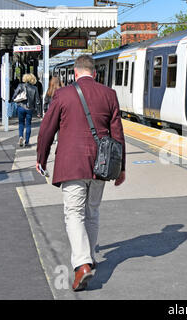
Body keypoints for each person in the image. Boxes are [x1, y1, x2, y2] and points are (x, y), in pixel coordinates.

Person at [36, 54, 126, 292]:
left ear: (75, 73)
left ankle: (81, 264)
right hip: (102, 164)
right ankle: (90, 256)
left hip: (71, 165)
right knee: (92, 211)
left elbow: (46, 130)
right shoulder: (109, 95)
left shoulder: (63, 95)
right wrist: (121, 168)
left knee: (74, 213)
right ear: (94, 73)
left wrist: (41, 159)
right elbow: (117, 135)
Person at [12, 73, 41, 147]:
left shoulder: (20, 86)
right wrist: (38, 112)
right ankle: (27, 141)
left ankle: (21, 136)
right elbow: (37, 101)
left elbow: (14, 96)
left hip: (21, 107)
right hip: (29, 108)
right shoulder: (35, 88)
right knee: (28, 125)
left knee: (21, 123)